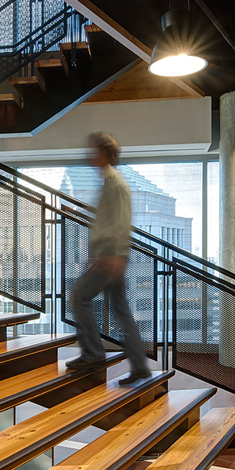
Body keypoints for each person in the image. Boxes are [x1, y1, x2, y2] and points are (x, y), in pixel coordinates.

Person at [66, 132, 152, 384]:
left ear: (104, 152)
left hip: (112, 257)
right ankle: (139, 366)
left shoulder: (116, 183)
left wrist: (114, 254)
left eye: (93, 151)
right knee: (122, 312)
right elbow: (105, 219)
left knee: (78, 296)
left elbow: (121, 222)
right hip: (109, 256)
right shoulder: (108, 183)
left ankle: (93, 353)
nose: (89, 155)